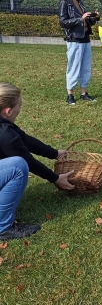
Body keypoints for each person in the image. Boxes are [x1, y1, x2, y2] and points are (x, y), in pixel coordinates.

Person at [0, 83, 75, 239]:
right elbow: (28, 161)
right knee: (18, 167)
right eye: (19, 105)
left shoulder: (5, 125)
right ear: (8, 111)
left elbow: (25, 140)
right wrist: (55, 178)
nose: (20, 109)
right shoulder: (4, 134)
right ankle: (3, 226)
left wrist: (54, 153)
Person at [59, 0, 99, 105]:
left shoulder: (80, 3)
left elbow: (87, 21)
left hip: (85, 38)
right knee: (74, 67)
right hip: (74, 40)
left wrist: (94, 17)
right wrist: (80, 19)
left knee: (86, 67)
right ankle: (70, 94)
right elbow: (63, 22)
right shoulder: (65, 2)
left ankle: (84, 93)